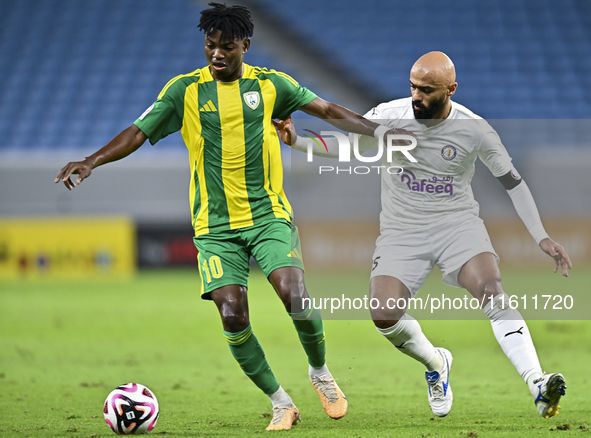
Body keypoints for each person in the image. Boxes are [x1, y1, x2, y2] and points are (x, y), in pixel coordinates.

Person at [54, 2, 405, 432]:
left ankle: (320, 372)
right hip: (214, 228)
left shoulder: (272, 84)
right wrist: (91, 161)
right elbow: (137, 132)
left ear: (245, 46)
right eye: (210, 45)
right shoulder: (183, 90)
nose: (216, 54)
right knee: (232, 314)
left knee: (294, 293)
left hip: (268, 215)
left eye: (226, 47)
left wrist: (378, 131)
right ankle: (281, 402)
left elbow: (329, 111)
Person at [275, 51, 571, 420]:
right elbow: (351, 148)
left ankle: (537, 383)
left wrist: (541, 236)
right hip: (402, 232)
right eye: (413, 87)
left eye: (427, 90)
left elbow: (512, 182)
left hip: (457, 226)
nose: (417, 96)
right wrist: (297, 142)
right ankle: (436, 363)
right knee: (383, 315)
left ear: (451, 90)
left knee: (492, 290)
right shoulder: (390, 114)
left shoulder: (475, 129)